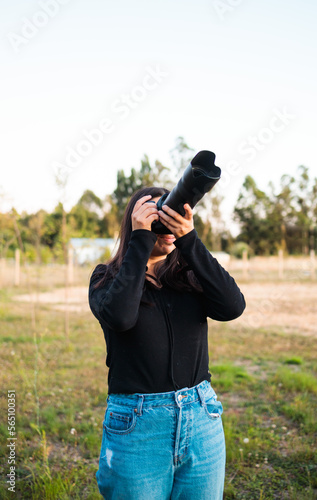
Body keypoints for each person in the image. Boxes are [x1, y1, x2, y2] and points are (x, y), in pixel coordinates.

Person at [89, 186, 246, 500]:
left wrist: (189, 238)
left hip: (202, 417)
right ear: (137, 222)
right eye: (161, 217)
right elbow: (120, 317)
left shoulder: (189, 276)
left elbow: (232, 307)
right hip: (137, 424)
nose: (168, 225)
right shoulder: (106, 277)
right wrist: (142, 239)